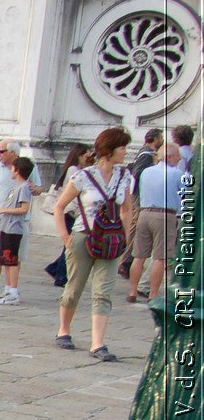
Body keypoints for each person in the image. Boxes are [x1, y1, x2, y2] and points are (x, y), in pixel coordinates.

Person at [51, 126, 135, 362]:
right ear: (109, 150)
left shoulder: (124, 176)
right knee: (74, 288)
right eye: (122, 147)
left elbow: (126, 208)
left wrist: (127, 237)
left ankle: (98, 343)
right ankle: (64, 329)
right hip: (83, 236)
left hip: (111, 240)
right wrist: (65, 237)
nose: (125, 152)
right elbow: (59, 207)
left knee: (103, 291)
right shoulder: (83, 176)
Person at [0, 140, 43, 300]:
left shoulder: (26, 172)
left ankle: (11, 290)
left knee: (14, 256)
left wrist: (35, 190)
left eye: (2, 151)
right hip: (0, 219)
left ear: (12, 153)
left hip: (17, 222)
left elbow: (35, 192)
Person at [127, 143, 183, 304]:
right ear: (171, 157)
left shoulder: (146, 172)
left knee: (139, 256)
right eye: (177, 157)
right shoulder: (177, 174)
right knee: (160, 258)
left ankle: (132, 292)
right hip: (165, 215)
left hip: (144, 213)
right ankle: (152, 293)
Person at [43, 143, 91, 287]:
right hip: (69, 211)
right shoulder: (74, 170)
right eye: (86, 156)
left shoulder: (77, 169)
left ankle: (54, 268)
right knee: (70, 245)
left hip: (72, 211)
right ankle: (61, 276)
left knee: (71, 244)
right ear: (79, 156)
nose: (88, 159)